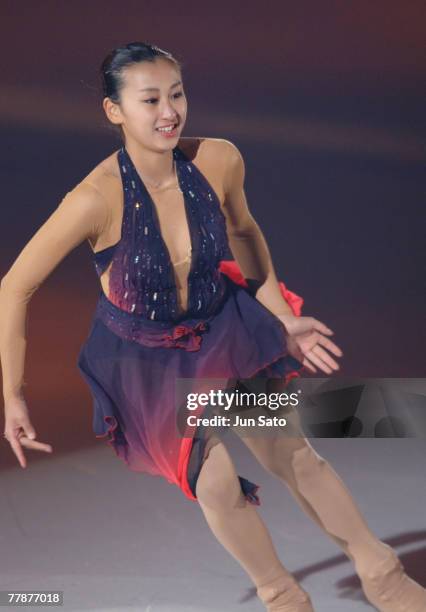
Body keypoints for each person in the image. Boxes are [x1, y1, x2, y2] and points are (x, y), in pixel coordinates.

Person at [0, 42, 425, 612]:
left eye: (176, 94)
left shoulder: (217, 160)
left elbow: (245, 232)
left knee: (293, 454)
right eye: (150, 100)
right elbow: (14, 287)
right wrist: (12, 396)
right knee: (217, 483)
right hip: (143, 360)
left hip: (222, 332)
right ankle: (280, 592)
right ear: (114, 111)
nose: (169, 112)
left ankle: (383, 574)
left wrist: (281, 315)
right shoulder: (93, 199)